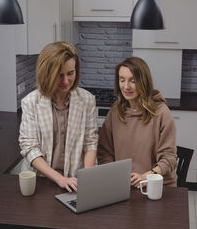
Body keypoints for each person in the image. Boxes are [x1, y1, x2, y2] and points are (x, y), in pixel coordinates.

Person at [19, 41, 98, 192]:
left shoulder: (87, 100)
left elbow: (90, 142)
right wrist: (60, 179)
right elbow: (30, 148)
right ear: (47, 73)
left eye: (70, 73)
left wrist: (87, 177)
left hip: (75, 181)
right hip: (42, 182)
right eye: (59, 75)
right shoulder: (31, 102)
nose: (66, 81)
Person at [97, 57, 177, 187]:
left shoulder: (161, 113)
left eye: (133, 81)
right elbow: (104, 152)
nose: (126, 86)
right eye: (122, 80)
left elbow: (169, 158)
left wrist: (146, 177)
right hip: (123, 184)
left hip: (155, 185)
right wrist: (115, 174)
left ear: (143, 82)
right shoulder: (115, 111)